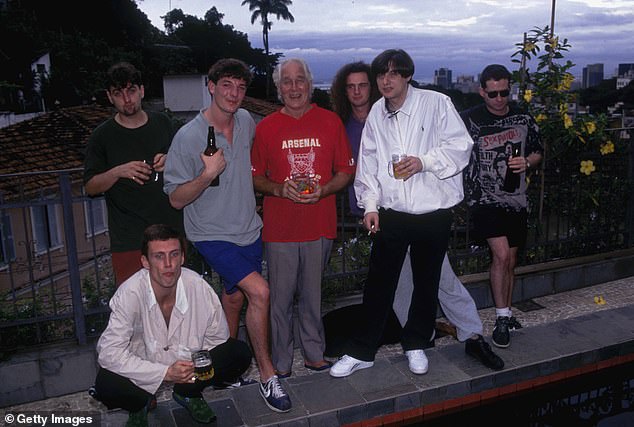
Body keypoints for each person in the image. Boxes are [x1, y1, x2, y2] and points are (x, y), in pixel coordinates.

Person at [331, 62, 503, 371]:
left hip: (432, 211)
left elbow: (460, 146)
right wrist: (369, 205)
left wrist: (424, 162)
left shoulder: (436, 103)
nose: (387, 80)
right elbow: (368, 164)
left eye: (394, 74)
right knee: (380, 284)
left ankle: (417, 344)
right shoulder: (376, 114)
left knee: (429, 282)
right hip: (392, 213)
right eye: (382, 75)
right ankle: (361, 352)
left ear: (408, 76)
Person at [163, 58, 291, 413]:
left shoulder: (247, 120)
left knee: (233, 299)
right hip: (211, 233)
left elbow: (271, 142)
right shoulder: (188, 136)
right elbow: (175, 199)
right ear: (211, 86)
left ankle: (227, 371)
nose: (234, 94)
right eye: (226, 86)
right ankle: (268, 375)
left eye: (240, 87)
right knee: (260, 291)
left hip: (248, 229)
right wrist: (206, 175)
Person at [251, 58, 355, 379]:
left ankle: (313, 354)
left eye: (300, 81)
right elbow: (255, 177)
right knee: (279, 301)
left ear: (310, 85)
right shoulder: (266, 127)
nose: (294, 88)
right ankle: (281, 362)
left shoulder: (330, 122)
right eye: (287, 81)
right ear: (279, 88)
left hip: (319, 225)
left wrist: (323, 190)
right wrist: (280, 189)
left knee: (312, 296)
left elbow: (346, 171)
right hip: (280, 228)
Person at [92, 224, 252, 426]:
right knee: (106, 384)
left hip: (188, 369)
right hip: (142, 371)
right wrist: (164, 372)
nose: (168, 264)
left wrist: (189, 368)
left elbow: (217, 338)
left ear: (182, 258)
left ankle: (188, 394)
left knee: (238, 353)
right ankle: (139, 404)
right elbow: (108, 352)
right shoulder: (129, 293)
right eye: (159, 256)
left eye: (174, 254)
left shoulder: (198, 286)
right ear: (145, 262)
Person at [461, 64, 543, 348]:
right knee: (501, 255)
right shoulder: (468, 120)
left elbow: (537, 150)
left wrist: (527, 162)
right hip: (484, 199)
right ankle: (500, 318)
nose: (499, 99)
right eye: (492, 93)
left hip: (516, 198)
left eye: (504, 93)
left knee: (510, 260)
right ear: (482, 91)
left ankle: (506, 313)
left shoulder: (522, 116)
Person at [83, 62, 183, 287]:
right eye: (119, 93)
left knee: (179, 305)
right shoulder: (102, 136)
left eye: (131, 91)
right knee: (134, 310)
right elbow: (90, 186)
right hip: (129, 239)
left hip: (171, 233)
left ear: (142, 91)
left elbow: (188, 162)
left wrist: (170, 160)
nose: (127, 99)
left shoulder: (164, 123)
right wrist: (118, 171)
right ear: (110, 97)